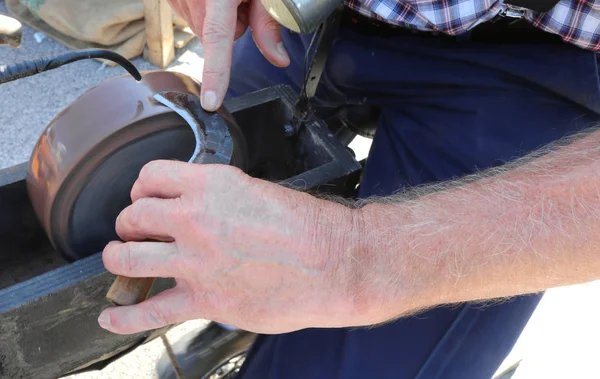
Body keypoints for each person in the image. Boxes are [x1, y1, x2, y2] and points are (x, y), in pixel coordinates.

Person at [97, 0, 600, 377]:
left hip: (546, 68)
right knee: (127, 196)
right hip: (318, 16)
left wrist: (356, 260)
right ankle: (235, 320)